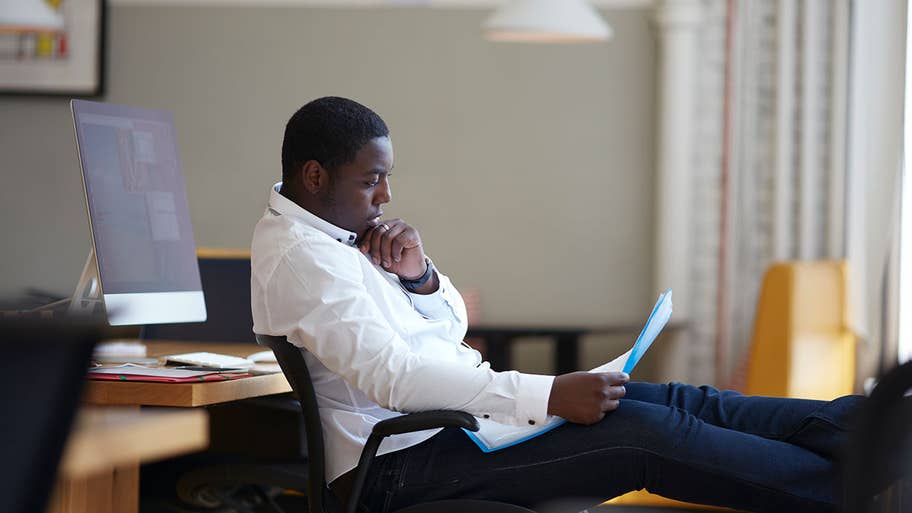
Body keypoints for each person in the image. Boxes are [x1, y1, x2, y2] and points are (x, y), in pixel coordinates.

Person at [250, 96, 860, 513]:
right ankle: (862, 491)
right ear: (315, 177)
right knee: (647, 434)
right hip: (399, 466)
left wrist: (420, 278)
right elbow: (396, 379)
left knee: (675, 400)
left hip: (454, 428)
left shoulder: (341, 234)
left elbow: (451, 329)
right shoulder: (303, 257)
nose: (386, 195)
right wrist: (545, 395)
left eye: (387, 177)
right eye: (370, 180)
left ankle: (870, 429)